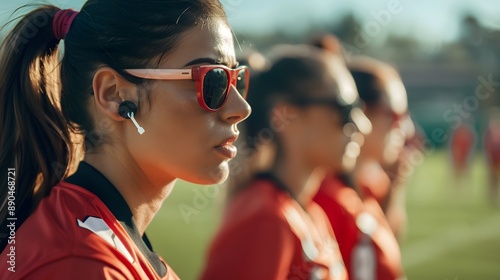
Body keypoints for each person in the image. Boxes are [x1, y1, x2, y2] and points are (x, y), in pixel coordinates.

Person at [0, 1, 251, 279]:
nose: (241, 108)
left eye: (236, 80)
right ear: (114, 94)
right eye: (212, 80)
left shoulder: (110, 248)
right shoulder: (80, 263)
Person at [200, 45, 371, 280]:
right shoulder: (265, 220)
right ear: (284, 114)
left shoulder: (311, 213)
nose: (362, 125)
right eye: (343, 109)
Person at [314, 55, 408, 280]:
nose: (406, 128)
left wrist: (395, 188)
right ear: (360, 111)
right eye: (394, 115)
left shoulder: (370, 187)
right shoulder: (327, 201)